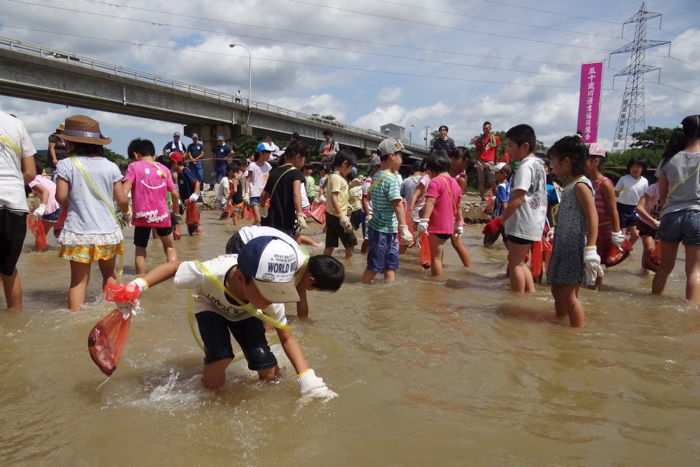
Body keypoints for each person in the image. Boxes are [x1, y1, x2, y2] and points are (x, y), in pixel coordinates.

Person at [118, 236, 338, 399]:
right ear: (242, 278)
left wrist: (308, 378)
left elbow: (287, 337)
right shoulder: (209, 272)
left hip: (245, 311)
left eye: (278, 293)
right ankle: (210, 397)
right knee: (221, 356)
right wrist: (136, 286)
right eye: (268, 293)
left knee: (265, 363)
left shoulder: (271, 299)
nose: (273, 300)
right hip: (210, 306)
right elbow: (173, 267)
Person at [54, 115, 128, 311]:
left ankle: (74, 321)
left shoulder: (66, 165)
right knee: (109, 275)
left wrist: (76, 206)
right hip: (107, 231)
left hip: (79, 232)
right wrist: (125, 213)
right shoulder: (111, 166)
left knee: (78, 282)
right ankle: (112, 314)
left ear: (70, 142)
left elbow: (60, 197)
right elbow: (122, 200)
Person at [225, 225, 345, 319]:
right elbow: (270, 295)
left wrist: (304, 324)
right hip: (243, 241)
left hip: (254, 237)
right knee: (242, 295)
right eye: (312, 288)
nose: (308, 290)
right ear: (311, 280)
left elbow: (301, 296)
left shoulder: (305, 261)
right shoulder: (290, 264)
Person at [546, 136, 600, 327]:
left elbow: (593, 217)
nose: (551, 167)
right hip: (562, 245)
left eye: (553, 162)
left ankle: (576, 333)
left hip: (574, 247)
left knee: (569, 295)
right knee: (556, 288)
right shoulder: (569, 186)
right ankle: (560, 324)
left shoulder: (581, 186)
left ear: (566, 162)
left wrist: (591, 248)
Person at [652, 115, 700, 303]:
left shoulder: (669, 159)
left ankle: (653, 305)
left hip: (671, 215)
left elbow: (662, 195)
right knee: (694, 271)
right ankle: (690, 313)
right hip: (697, 215)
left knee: (664, 268)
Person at [500, 124, 547, 294]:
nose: (508, 150)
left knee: (514, 263)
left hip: (523, 222)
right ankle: (530, 294)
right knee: (520, 262)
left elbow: (518, 198)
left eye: (511, 145)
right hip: (534, 221)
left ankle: (517, 301)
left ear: (524, 146)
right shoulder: (539, 165)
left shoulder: (524, 167)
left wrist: (500, 220)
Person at [122, 138, 179, 275]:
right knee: (169, 246)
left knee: (140, 250)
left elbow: (124, 191)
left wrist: (124, 210)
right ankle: (173, 275)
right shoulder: (165, 169)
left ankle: (142, 280)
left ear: (136, 155)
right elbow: (175, 194)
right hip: (163, 215)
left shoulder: (133, 167)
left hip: (142, 215)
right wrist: (175, 213)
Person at [361, 138, 413, 283]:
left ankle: (386, 295)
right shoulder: (391, 179)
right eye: (400, 155)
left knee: (385, 265)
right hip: (385, 231)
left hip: (377, 227)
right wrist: (404, 228)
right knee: (382, 266)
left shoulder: (377, 176)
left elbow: (369, 195)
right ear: (391, 156)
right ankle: (387, 296)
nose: (401, 159)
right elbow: (397, 205)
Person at [0, 110, 36, 311]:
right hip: (15, 204)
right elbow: (30, 173)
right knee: (8, 268)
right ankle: (15, 321)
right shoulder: (16, 124)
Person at [417, 151, 467, 276]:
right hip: (449, 226)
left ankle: (435, 284)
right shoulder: (455, 182)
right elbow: (458, 205)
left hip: (436, 226)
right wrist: (459, 223)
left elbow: (430, 202)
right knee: (439, 254)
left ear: (432, 168)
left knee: (435, 258)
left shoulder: (435, 182)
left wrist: (424, 220)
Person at [585, 144, 625, 263]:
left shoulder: (605, 184)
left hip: (603, 230)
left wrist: (616, 234)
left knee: (596, 264)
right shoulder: (585, 181)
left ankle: (596, 282)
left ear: (596, 161)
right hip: (589, 229)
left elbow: (613, 210)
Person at [261, 140, 308, 237]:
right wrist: (299, 213)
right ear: (298, 157)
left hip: (271, 219)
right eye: (304, 158)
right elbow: (296, 194)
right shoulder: (296, 173)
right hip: (285, 221)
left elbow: (264, 194)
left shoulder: (274, 171)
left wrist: (262, 209)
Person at [324, 150, 357, 259]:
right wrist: (342, 216)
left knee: (330, 244)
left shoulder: (335, 177)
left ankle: (323, 262)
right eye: (350, 166)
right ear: (344, 164)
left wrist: (352, 185)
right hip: (339, 217)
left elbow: (341, 194)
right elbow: (334, 197)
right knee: (350, 244)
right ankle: (348, 265)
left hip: (331, 216)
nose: (351, 170)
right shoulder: (336, 177)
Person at [615, 158, 649, 249]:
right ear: (629, 168)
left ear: (643, 169)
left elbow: (643, 197)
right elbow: (616, 192)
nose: (635, 169)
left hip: (634, 209)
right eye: (633, 167)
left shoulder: (645, 181)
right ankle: (618, 251)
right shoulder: (624, 179)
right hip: (621, 208)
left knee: (635, 235)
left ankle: (626, 249)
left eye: (638, 167)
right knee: (620, 235)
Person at [172, 152, 201, 236]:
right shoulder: (179, 174)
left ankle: (197, 244)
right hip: (186, 203)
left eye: (171, 163)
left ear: (175, 163)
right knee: (190, 228)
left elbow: (197, 183)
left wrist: (194, 195)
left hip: (192, 202)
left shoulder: (185, 171)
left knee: (195, 227)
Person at [28, 166, 62, 238]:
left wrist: (41, 208)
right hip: (60, 206)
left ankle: (39, 249)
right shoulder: (41, 178)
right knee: (61, 236)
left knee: (40, 235)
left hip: (52, 209)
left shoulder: (32, 181)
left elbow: (45, 192)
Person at [472, 121, 502, 200]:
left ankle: (496, 196)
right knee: (481, 180)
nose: (486, 129)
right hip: (481, 161)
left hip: (490, 161)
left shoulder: (495, 138)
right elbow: (477, 151)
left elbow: (497, 150)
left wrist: (496, 161)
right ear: (483, 129)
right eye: (485, 128)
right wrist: (476, 161)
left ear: (491, 128)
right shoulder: (479, 139)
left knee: (492, 180)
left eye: (488, 128)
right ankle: (482, 197)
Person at [636, 182, 661, 272]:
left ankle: (644, 272)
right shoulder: (654, 187)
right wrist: (653, 221)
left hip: (663, 226)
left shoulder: (677, 190)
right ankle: (658, 272)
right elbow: (639, 208)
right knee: (650, 249)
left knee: (657, 256)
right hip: (646, 223)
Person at [247, 142, 273, 224]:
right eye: (267, 152)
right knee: (258, 219)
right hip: (254, 194)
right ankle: (250, 231)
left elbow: (268, 180)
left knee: (264, 220)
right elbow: (248, 180)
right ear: (261, 153)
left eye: (270, 153)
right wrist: (246, 193)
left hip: (264, 195)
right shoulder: (252, 165)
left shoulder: (268, 166)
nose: (269, 155)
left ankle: (253, 231)